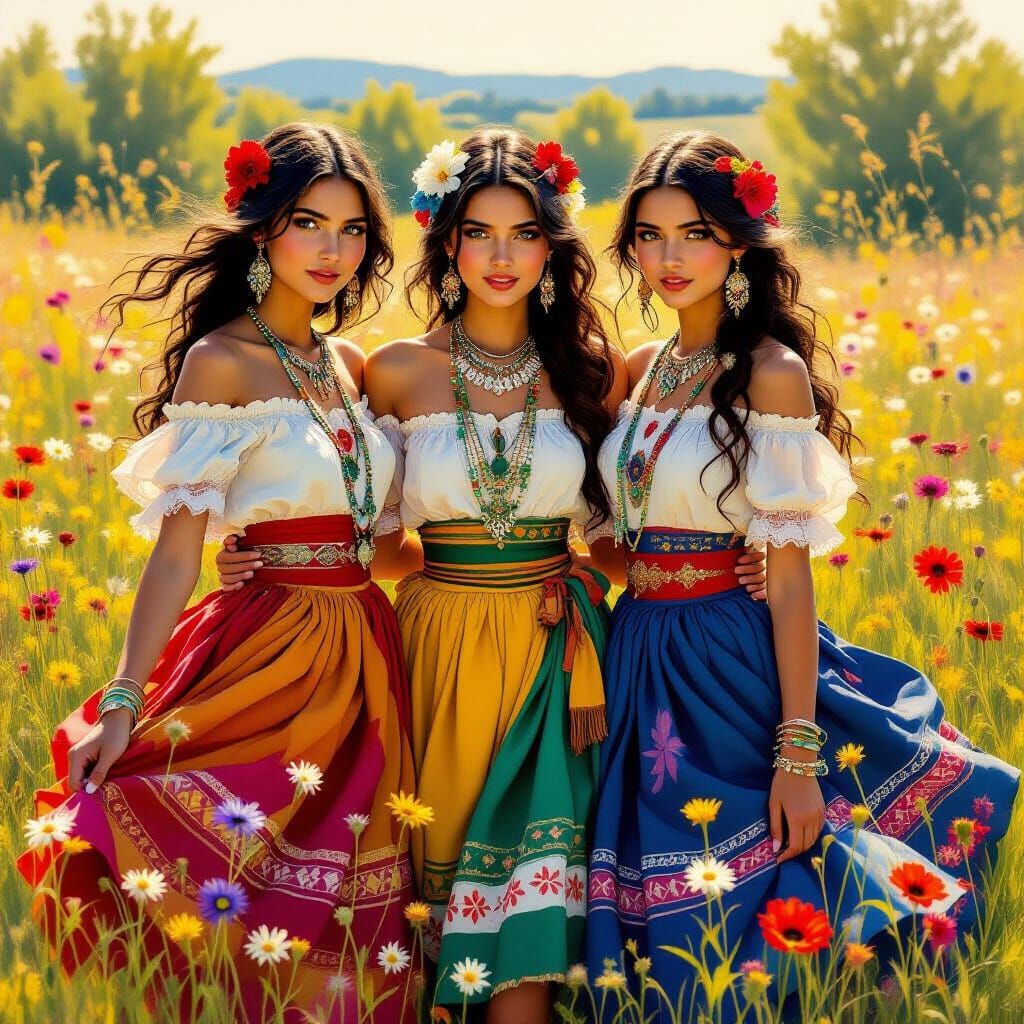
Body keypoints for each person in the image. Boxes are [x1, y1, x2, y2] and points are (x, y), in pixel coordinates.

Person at [584, 130, 1019, 1018]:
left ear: (738, 244)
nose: (669, 258)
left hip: (729, 652)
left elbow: (787, 581)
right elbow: (608, 539)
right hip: (638, 648)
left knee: (759, 852)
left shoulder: (769, 377)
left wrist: (797, 751)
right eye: (650, 236)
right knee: (645, 856)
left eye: (695, 234)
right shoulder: (638, 371)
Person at [19, 123, 416, 1023]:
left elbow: (381, 544)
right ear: (263, 227)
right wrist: (124, 696)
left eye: (353, 231)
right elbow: (178, 550)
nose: (332, 249)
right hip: (271, 646)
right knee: (248, 858)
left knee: (358, 885)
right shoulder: (221, 362)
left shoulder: (348, 365)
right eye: (309, 222)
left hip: (366, 652)